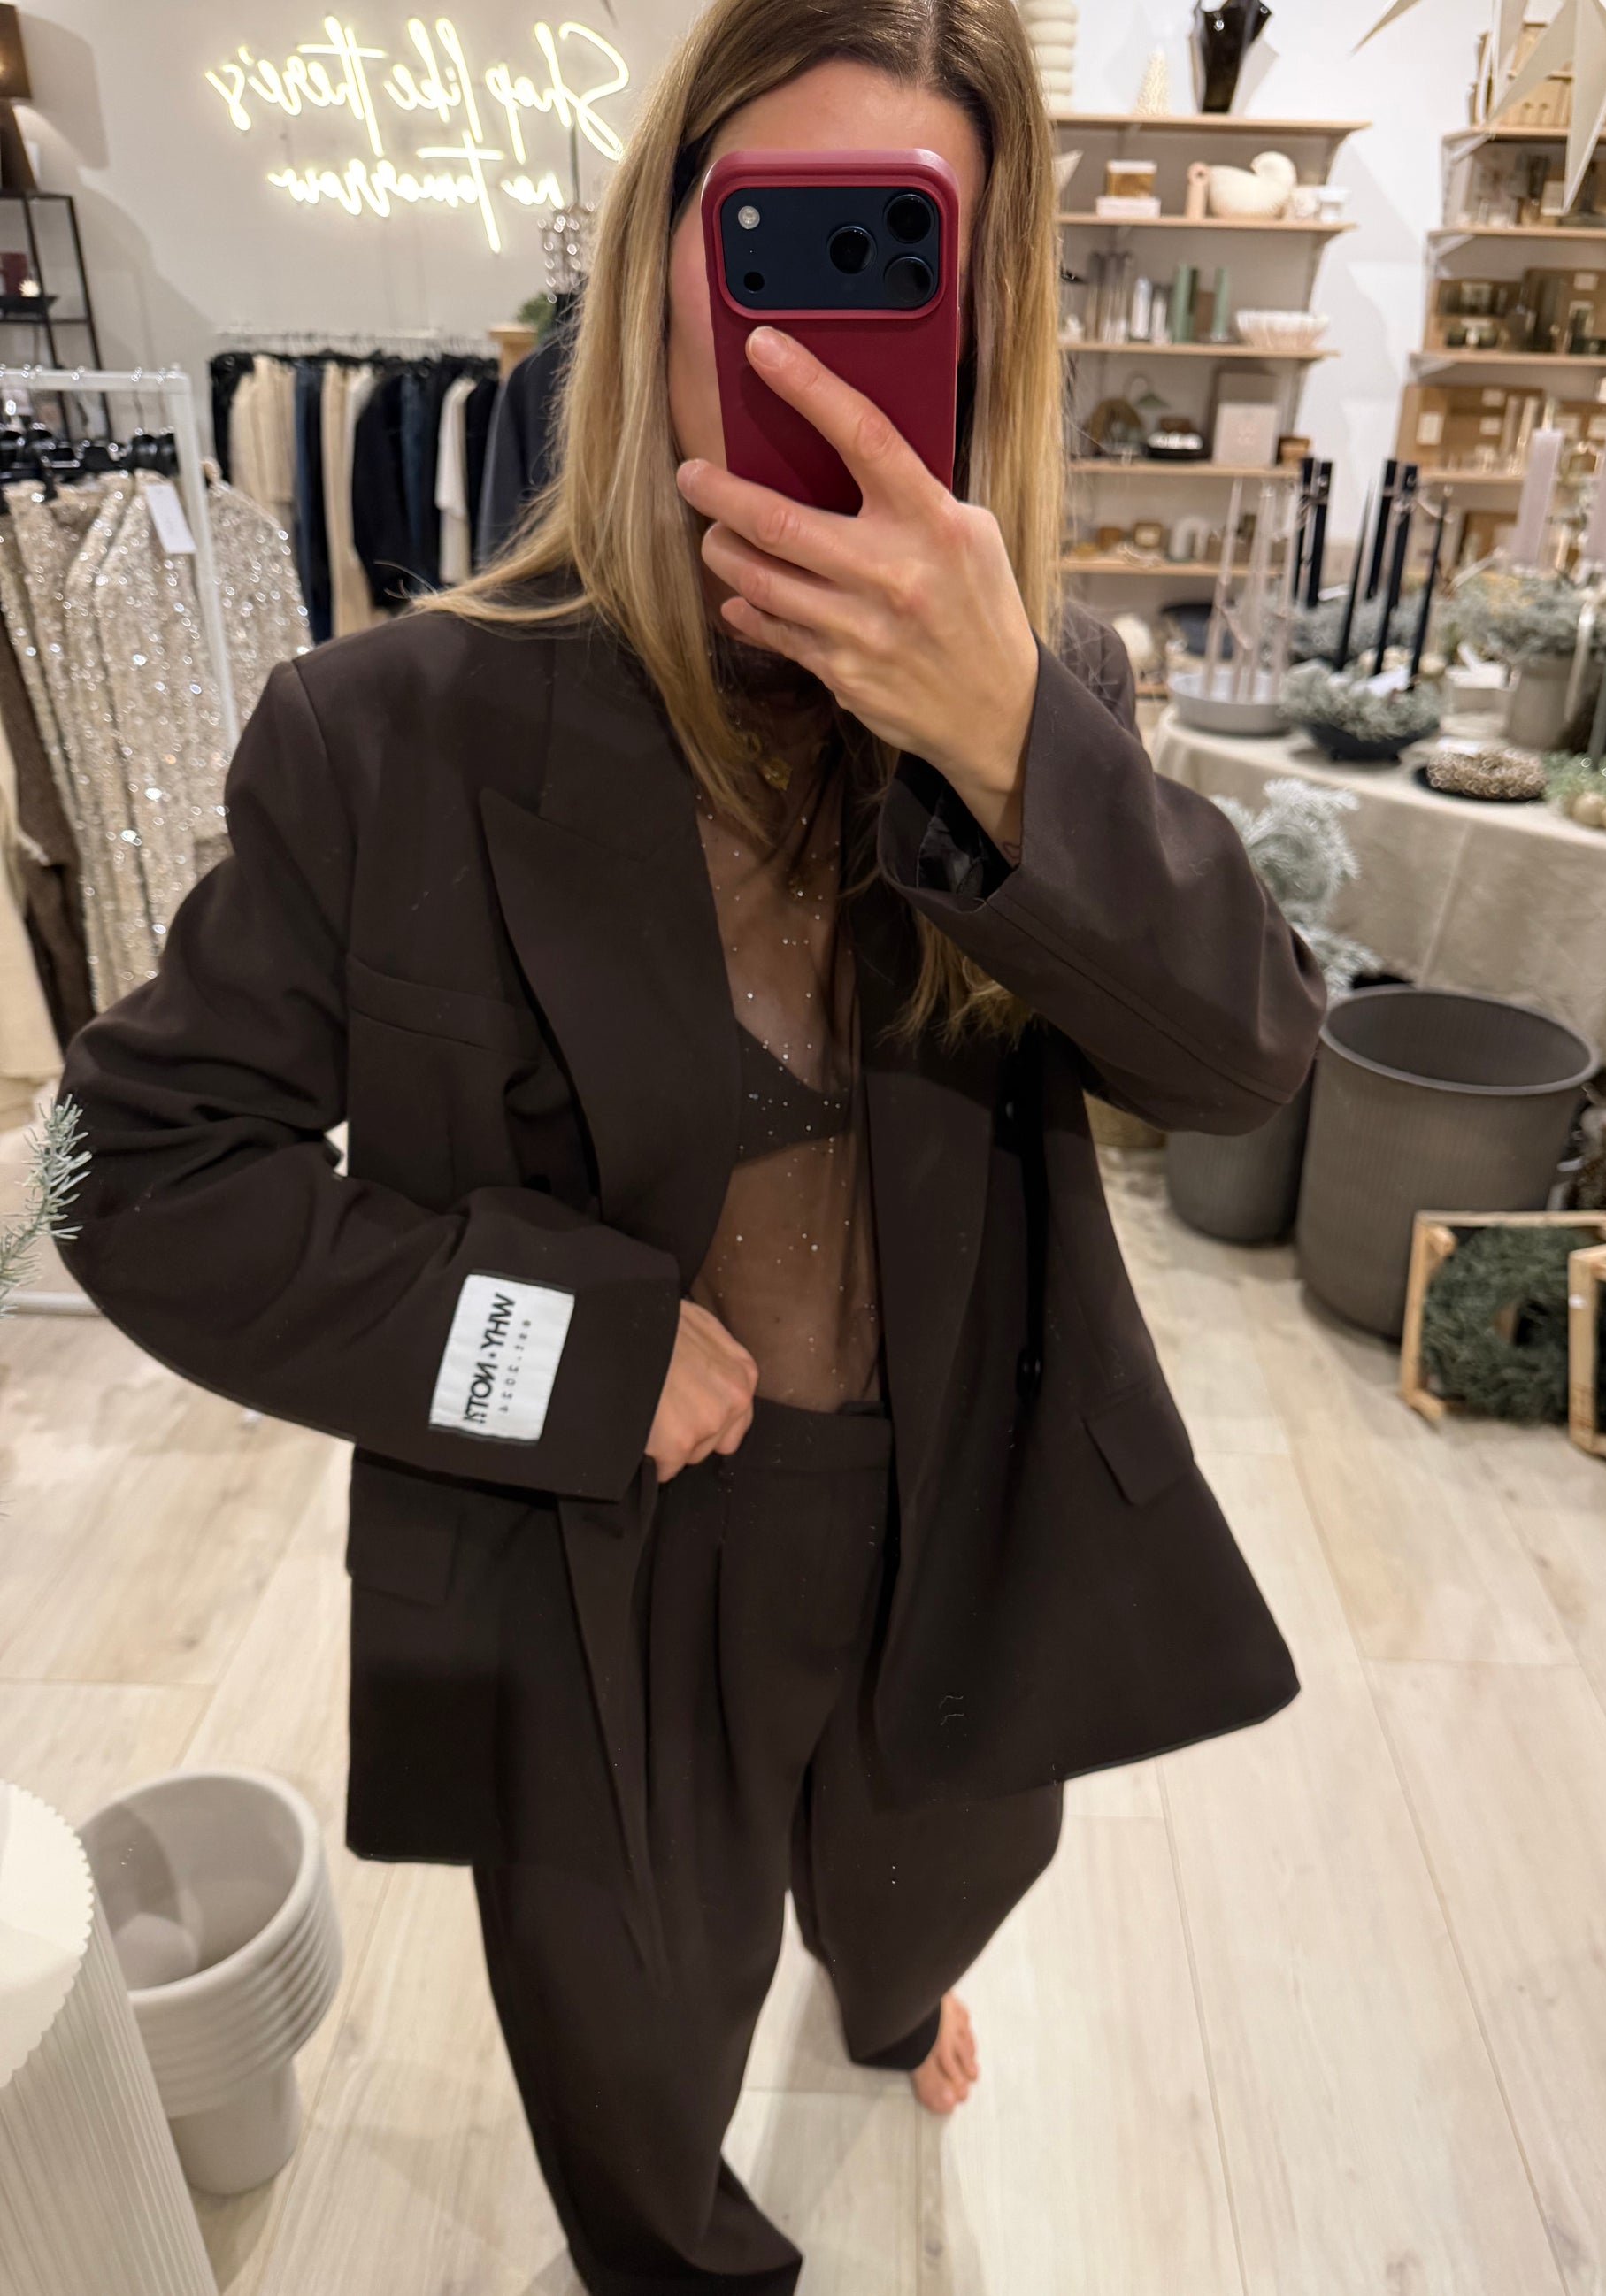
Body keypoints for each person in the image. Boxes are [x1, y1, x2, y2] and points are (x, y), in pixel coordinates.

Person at [55, 0, 1326, 2286]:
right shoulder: (390, 731)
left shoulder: (1047, 697)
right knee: (630, 2030)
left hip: (962, 1497)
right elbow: (139, 1176)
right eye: (766, 243)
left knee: (942, 1868)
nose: (812, 339)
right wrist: (560, 1347)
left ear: (978, 325)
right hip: (591, 1545)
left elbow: (1245, 1068)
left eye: (894, 259)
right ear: (658, 264)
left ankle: (893, 1986)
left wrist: (1007, 747)